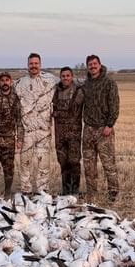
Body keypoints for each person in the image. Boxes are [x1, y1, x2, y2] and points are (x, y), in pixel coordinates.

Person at [80, 54, 120, 202]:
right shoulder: (85, 84)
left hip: (104, 130)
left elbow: (114, 106)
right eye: (90, 65)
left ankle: (113, 192)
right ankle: (91, 192)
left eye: (95, 64)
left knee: (108, 163)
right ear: (87, 67)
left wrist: (110, 125)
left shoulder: (109, 83)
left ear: (100, 64)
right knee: (89, 165)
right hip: (88, 129)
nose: (92, 66)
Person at [15, 52, 56, 193]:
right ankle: (26, 190)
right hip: (27, 131)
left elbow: (68, 83)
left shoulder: (51, 80)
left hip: (44, 131)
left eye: (36, 63)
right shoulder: (19, 83)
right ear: (27, 65)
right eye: (31, 63)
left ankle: (42, 191)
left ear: (40, 64)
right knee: (25, 162)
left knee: (43, 163)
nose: (33, 66)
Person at [52, 65, 84, 195]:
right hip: (59, 134)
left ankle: (75, 190)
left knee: (74, 162)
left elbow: (76, 111)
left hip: (74, 134)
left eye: (68, 76)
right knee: (63, 162)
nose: (65, 78)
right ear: (60, 77)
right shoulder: (56, 92)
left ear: (72, 77)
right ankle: (65, 190)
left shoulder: (79, 91)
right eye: (63, 76)